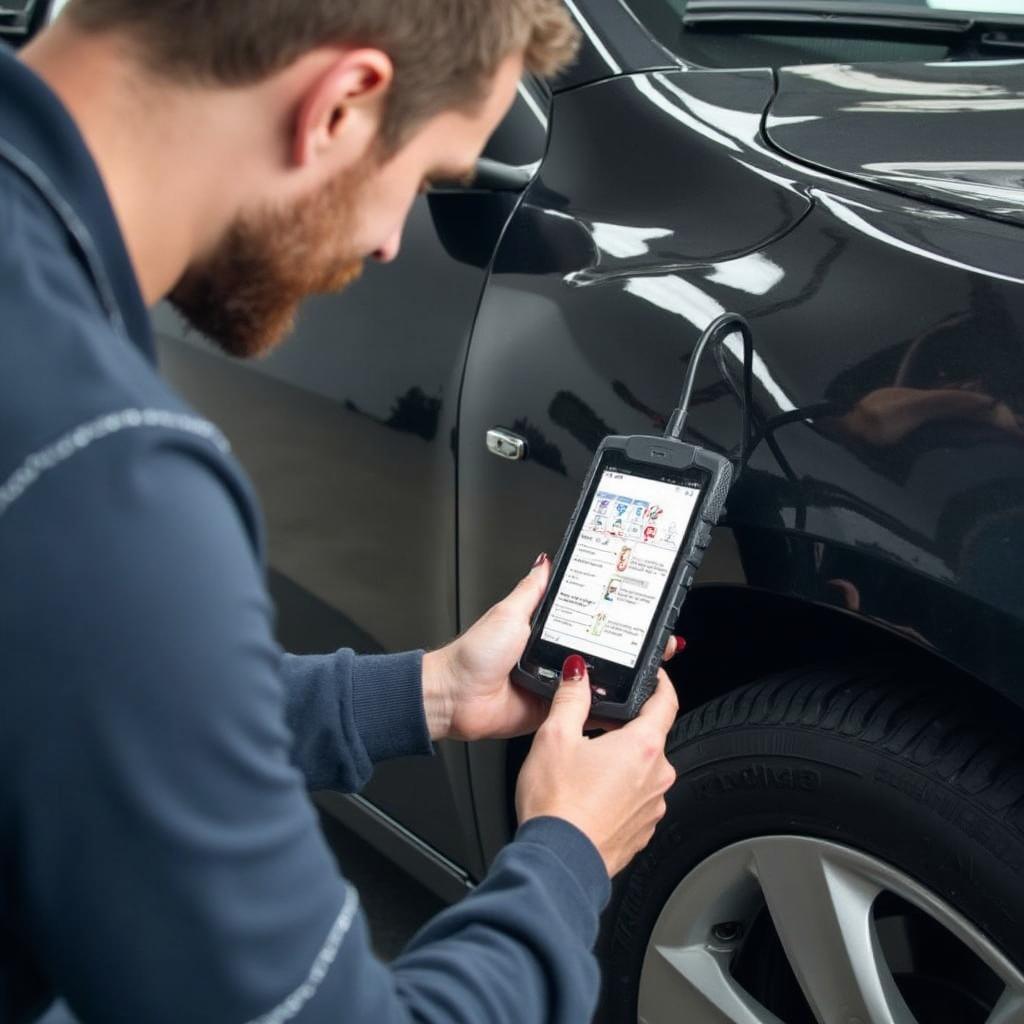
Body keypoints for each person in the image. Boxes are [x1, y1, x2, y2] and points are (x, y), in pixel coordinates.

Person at [0, 2, 682, 1022]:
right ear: (339, 105)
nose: (389, 242)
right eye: (420, 179)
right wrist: (567, 851)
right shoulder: (100, 471)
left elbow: (75, 693)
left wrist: (432, 694)